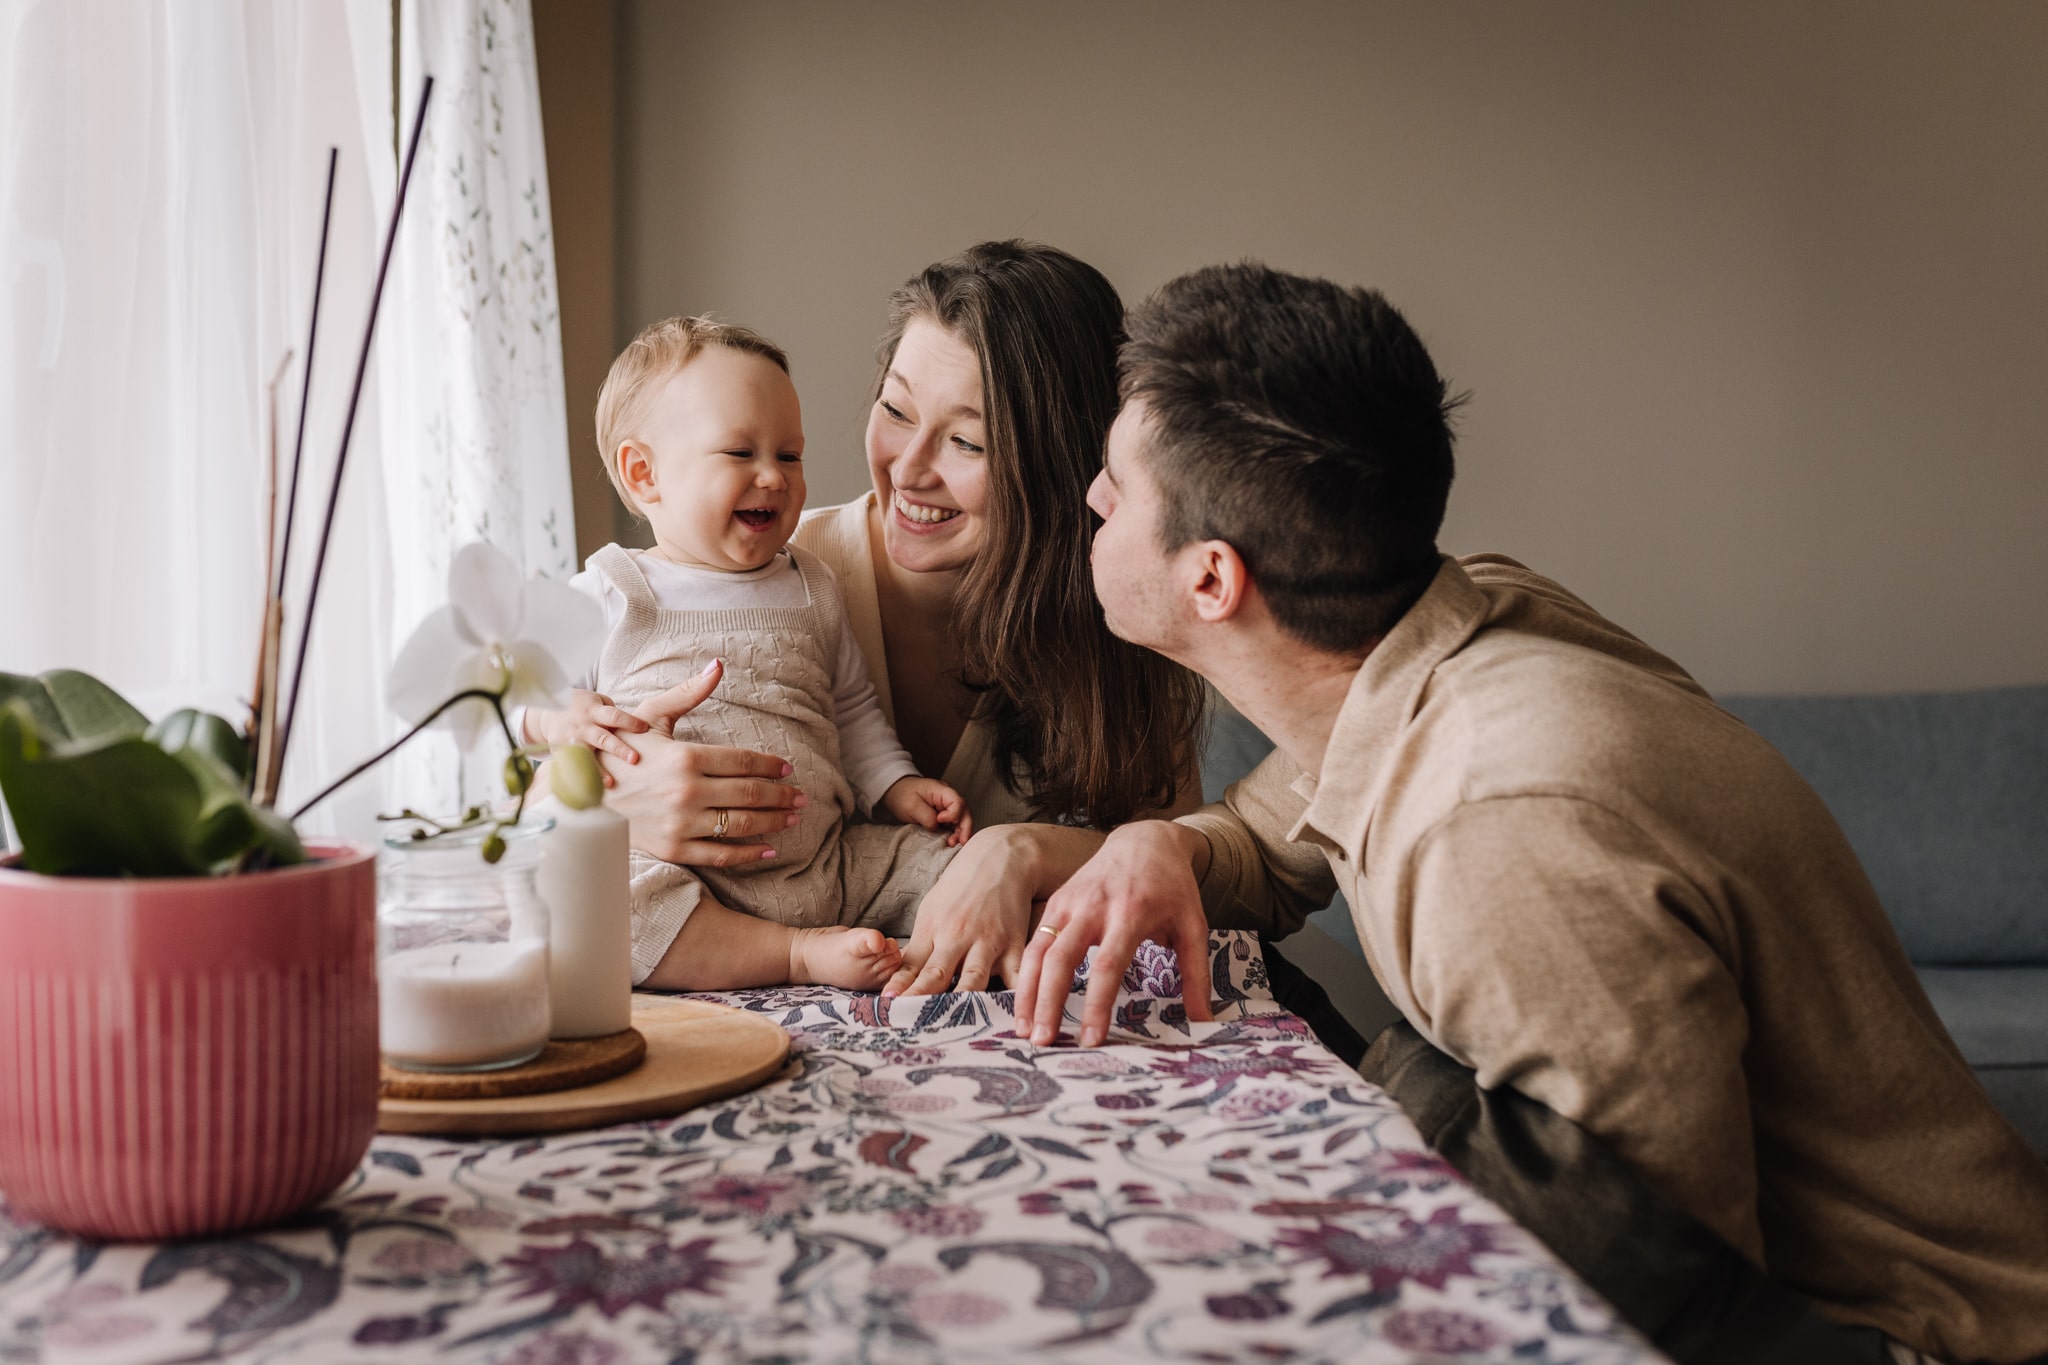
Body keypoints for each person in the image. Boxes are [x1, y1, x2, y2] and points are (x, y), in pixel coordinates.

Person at [1005, 262, 2048, 1362]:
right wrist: (1158, 842)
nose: (1090, 500)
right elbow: (1274, 837)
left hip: (1907, 1338)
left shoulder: (1496, 811)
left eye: (1118, 485)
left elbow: (1646, 1272)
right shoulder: (1441, 631)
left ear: (1212, 580)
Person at [598, 241, 1209, 994]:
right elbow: (505, 774)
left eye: (966, 440)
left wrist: (1021, 851)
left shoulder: (1122, 627)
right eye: (895, 409)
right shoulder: (768, 573)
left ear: (1052, 468)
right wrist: (602, 796)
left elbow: (1184, 859)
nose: (908, 468)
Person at [523, 316, 971, 992]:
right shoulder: (613, 593)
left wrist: (895, 784)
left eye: (789, 455)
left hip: (829, 857)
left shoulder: (810, 582)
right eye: (740, 453)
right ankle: (793, 953)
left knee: (959, 863)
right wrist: (561, 719)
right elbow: (522, 699)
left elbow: (850, 710)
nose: (774, 476)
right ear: (644, 474)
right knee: (600, 899)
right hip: (681, 871)